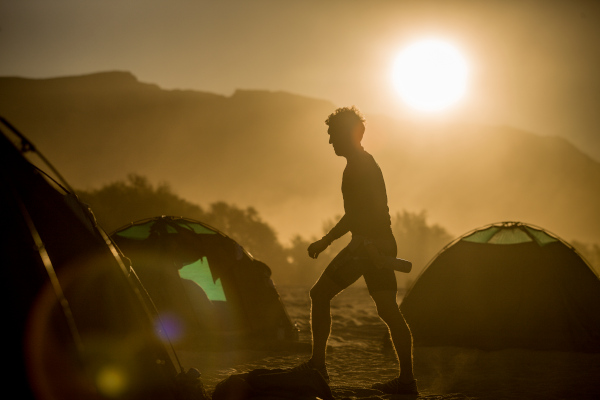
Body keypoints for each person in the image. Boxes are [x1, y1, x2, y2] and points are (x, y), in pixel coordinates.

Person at [292, 106, 418, 395]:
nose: (330, 141)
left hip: (366, 246)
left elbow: (359, 214)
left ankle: (317, 367)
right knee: (389, 310)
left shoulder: (358, 166)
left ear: (349, 133)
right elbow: (363, 212)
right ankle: (407, 382)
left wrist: (328, 241)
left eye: (333, 134)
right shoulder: (363, 163)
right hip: (380, 243)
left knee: (319, 295)